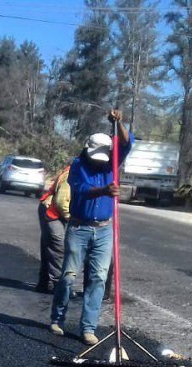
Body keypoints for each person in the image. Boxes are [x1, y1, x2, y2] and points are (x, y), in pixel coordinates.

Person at [50, 109, 133, 345]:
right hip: (79, 228)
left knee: (97, 278)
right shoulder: (77, 165)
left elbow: (126, 142)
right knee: (68, 276)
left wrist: (119, 122)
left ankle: (88, 328)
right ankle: (57, 318)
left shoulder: (113, 159)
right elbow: (82, 190)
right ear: (87, 149)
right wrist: (105, 190)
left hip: (105, 230)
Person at [36, 165, 71, 294]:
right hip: (51, 210)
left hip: (57, 210)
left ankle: (44, 283)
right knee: (57, 245)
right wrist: (73, 220)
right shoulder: (71, 175)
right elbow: (62, 203)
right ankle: (58, 285)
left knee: (48, 245)